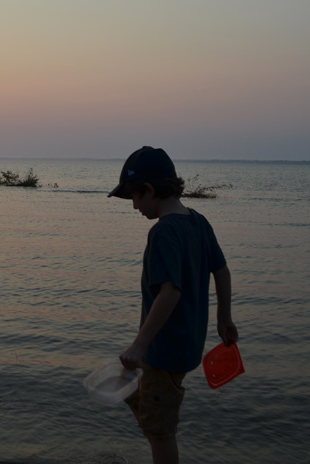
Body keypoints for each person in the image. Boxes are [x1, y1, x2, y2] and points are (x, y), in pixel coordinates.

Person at [108, 146, 239, 464]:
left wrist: (140, 345)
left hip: (163, 352)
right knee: (147, 405)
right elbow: (221, 271)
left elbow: (170, 293)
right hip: (187, 344)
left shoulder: (163, 232)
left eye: (134, 198)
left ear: (149, 190)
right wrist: (224, 318)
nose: (135, 206)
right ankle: (153, 415)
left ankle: (155, 426)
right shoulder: (198, 221)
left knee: (161, 433)